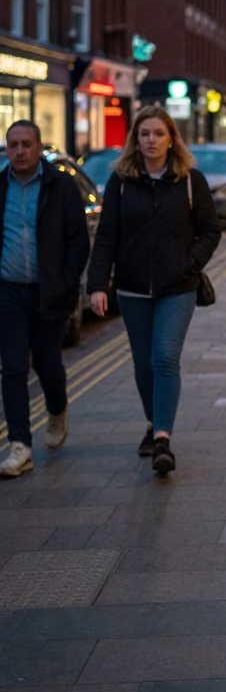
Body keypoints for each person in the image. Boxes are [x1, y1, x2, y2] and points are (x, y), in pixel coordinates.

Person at [87, 107, 220, 475]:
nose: (151, 140)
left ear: (171, 138)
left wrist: (189, 264)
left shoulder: (190, 179)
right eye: (144, 134)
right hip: (131, 289)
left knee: (164, 357)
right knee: (143, 364)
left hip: (178, 287)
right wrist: (98, 284)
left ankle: (162, 438)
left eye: (158, 134)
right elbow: (107, 237)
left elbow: (210, 231)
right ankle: (152, 421)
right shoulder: (121, 181)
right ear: (135, 139)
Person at [0, 121, 89, 477]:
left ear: (39, 148)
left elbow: (78, 241)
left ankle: (57, 410)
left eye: (26, 144)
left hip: (48, 292)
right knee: (13, 367)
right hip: (7, 290)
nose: (19, 151)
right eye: (13, 145)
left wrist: (67, 285)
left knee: (48, 366)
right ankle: (20, 445)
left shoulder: (61, 185)